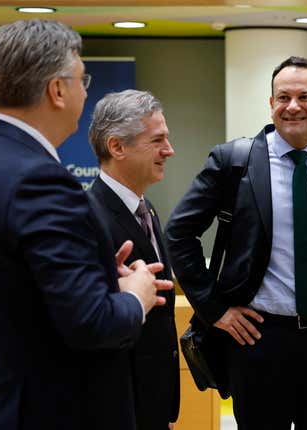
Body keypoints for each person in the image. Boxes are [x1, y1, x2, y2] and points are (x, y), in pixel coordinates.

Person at [166, 56, 307, 429]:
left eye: (305, 96)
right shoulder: (232, 161)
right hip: (258, 338)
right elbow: (179, 232)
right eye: (282, 97)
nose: (292, 106)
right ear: (270, 103)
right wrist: (216, 310)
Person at [0, 20, 171, 430]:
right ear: (57, 90)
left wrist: (97, 278)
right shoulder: (41, 180)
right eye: (83, 79)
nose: (87, 91)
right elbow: (90, 323)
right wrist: (134, 294)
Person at [87, 90, 179, 430]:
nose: (169, 150)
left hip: (154, 400)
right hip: (117, 406)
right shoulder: (87, 217)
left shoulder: (148, 209)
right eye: (157, 141)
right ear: (117, 147)